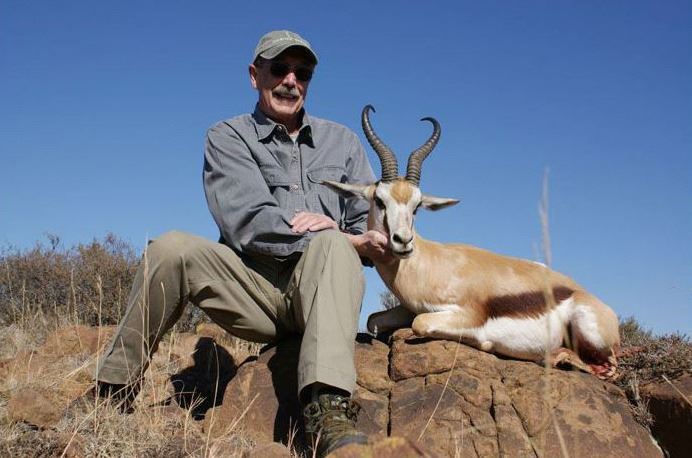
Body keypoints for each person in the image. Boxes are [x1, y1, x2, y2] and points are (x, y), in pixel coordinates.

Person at [92, 30, 390, 457]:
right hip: (253, 292)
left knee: (333, 247)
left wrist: (369, 236)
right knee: (169, 248)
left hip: (322, 294)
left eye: (302, 72)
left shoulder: (342, 142)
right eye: (279, 69)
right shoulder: (227, 136)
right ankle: (112, 391)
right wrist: (331, 233)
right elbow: (246, 221)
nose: (291, 80)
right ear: (255, 75)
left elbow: (366, 227)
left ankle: (327, 411)